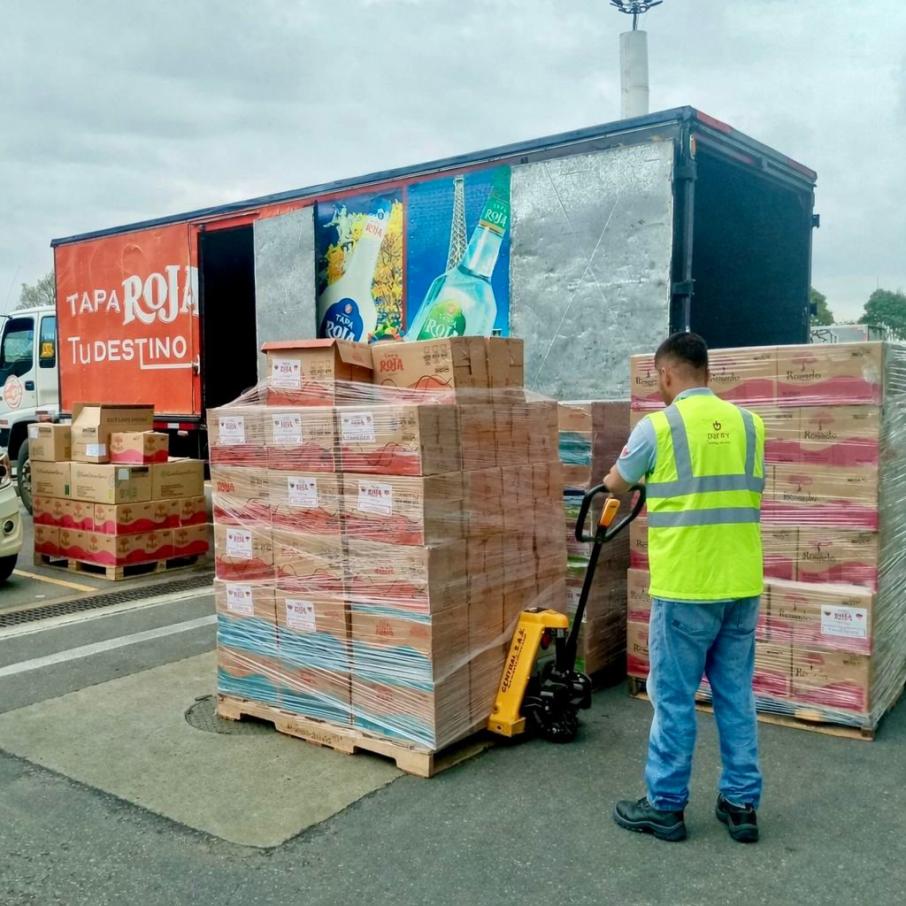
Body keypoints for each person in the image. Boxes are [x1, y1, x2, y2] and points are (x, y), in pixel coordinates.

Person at [603, 332, 765, 844]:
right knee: (735, 696)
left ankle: (666, 805)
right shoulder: (750, 424)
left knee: (673, 699)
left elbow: (615, 484)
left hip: (686, 589)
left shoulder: (659, 426)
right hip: (740, 584)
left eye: (658, 378)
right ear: (708, 373)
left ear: (667, 375)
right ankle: (741, 806)